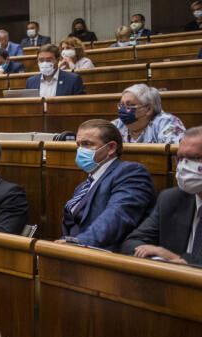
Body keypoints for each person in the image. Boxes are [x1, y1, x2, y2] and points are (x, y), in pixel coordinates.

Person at [57, 119, 156, 251]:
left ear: (111, 148)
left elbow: (117, 216)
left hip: (104, 256)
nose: (81, 150)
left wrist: (79, 243)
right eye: (78, 145)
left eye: (87, 144)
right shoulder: (83, 186)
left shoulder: (130, 173)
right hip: (73, 253)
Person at [121, 126, 202, 265]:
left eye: (194, 158)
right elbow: (131, 243)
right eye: (180, 158)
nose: (183, 165)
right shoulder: (171, 199)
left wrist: (174, 258)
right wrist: (160, 257)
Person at [112, 83, 185, 144]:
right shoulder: (117, 125)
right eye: (122, 105)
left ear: (149, 109)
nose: (124, 109)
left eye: (130, 105)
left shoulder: (166, 122)